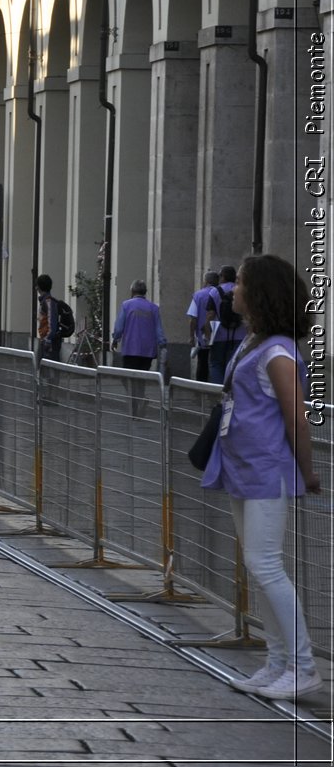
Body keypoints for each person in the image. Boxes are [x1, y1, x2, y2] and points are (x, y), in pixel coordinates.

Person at [201, 254, 323, 701]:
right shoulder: (255, 342)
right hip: (244, 467)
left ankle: (303, 665)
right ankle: (277, 662)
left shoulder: (276, 351)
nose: (233, 289)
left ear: (259, 293)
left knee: (267, 565)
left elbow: (298, 419)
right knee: (259, 566)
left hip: (267, 469)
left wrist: (308, 471)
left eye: (241, 284)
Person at [111, 280, 165, 371]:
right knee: (143, 376)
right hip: (148, 350)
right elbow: (158, 329)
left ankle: (132, 386)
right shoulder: (154, 308)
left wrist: (115, 339)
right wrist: (162, 344)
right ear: (145, 292)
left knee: (129, 376)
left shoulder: (126, 305)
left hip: (130, 348)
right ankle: (140, 386)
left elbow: (119, 328)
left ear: (132, 291)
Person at [207, 265, 247, 386]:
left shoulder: (214, 291)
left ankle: (218, 396)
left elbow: (210, 315)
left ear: (223, 277)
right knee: (234, 366)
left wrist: (208, 335)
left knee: (216, 365)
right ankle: (231, 395)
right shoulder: (241, 290)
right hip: (240, 334)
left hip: (219, 334)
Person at [187, 270, 221, 382]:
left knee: (202, 363)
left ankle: (201, 390)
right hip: (221, 336)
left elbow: (193, 319)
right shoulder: (222, 293)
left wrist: (191, 336)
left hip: (203, 337)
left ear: (205, 281)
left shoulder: (198, 295)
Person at [36, 274, 63, 363]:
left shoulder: (48, 301)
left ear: (39, 287)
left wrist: (47, 339)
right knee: (44, 370)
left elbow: (52, 322)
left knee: (48, 371)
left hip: (49, 342)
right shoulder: (46, 301)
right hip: (47, 340)